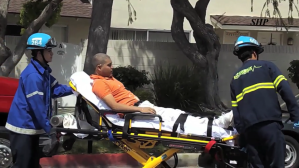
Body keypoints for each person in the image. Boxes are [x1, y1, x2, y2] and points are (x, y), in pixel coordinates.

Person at [88, 53, 234, 135]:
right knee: (176, 123)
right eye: (109, 65)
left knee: (178, 115)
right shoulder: (99, 84)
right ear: (99, 67)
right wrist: (140, 109)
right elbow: (114, 106)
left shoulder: (109, 79)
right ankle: (219, 132)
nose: (112, 67)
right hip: (135, 113)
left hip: (142, 107)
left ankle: (216, 123)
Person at [5, 33, 74, 168]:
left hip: (31, 128)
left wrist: (76, 89)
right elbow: (37, 106)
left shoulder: (43, 72)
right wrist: (50, 128)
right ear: (38, 52)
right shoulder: (33, 76)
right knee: (23, 165)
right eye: (49, 50)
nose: (52, 53)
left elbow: (56, 89)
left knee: (33, 164)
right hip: (22, 128)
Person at [230, 36, 299, 168]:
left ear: (240, 56)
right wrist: (295, 116)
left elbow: (236, 113)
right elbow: (286, 91)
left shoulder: (235, 79)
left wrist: (243, 137)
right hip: (270, 126)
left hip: (250, 132)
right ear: (254, 53)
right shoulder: (267, 66)